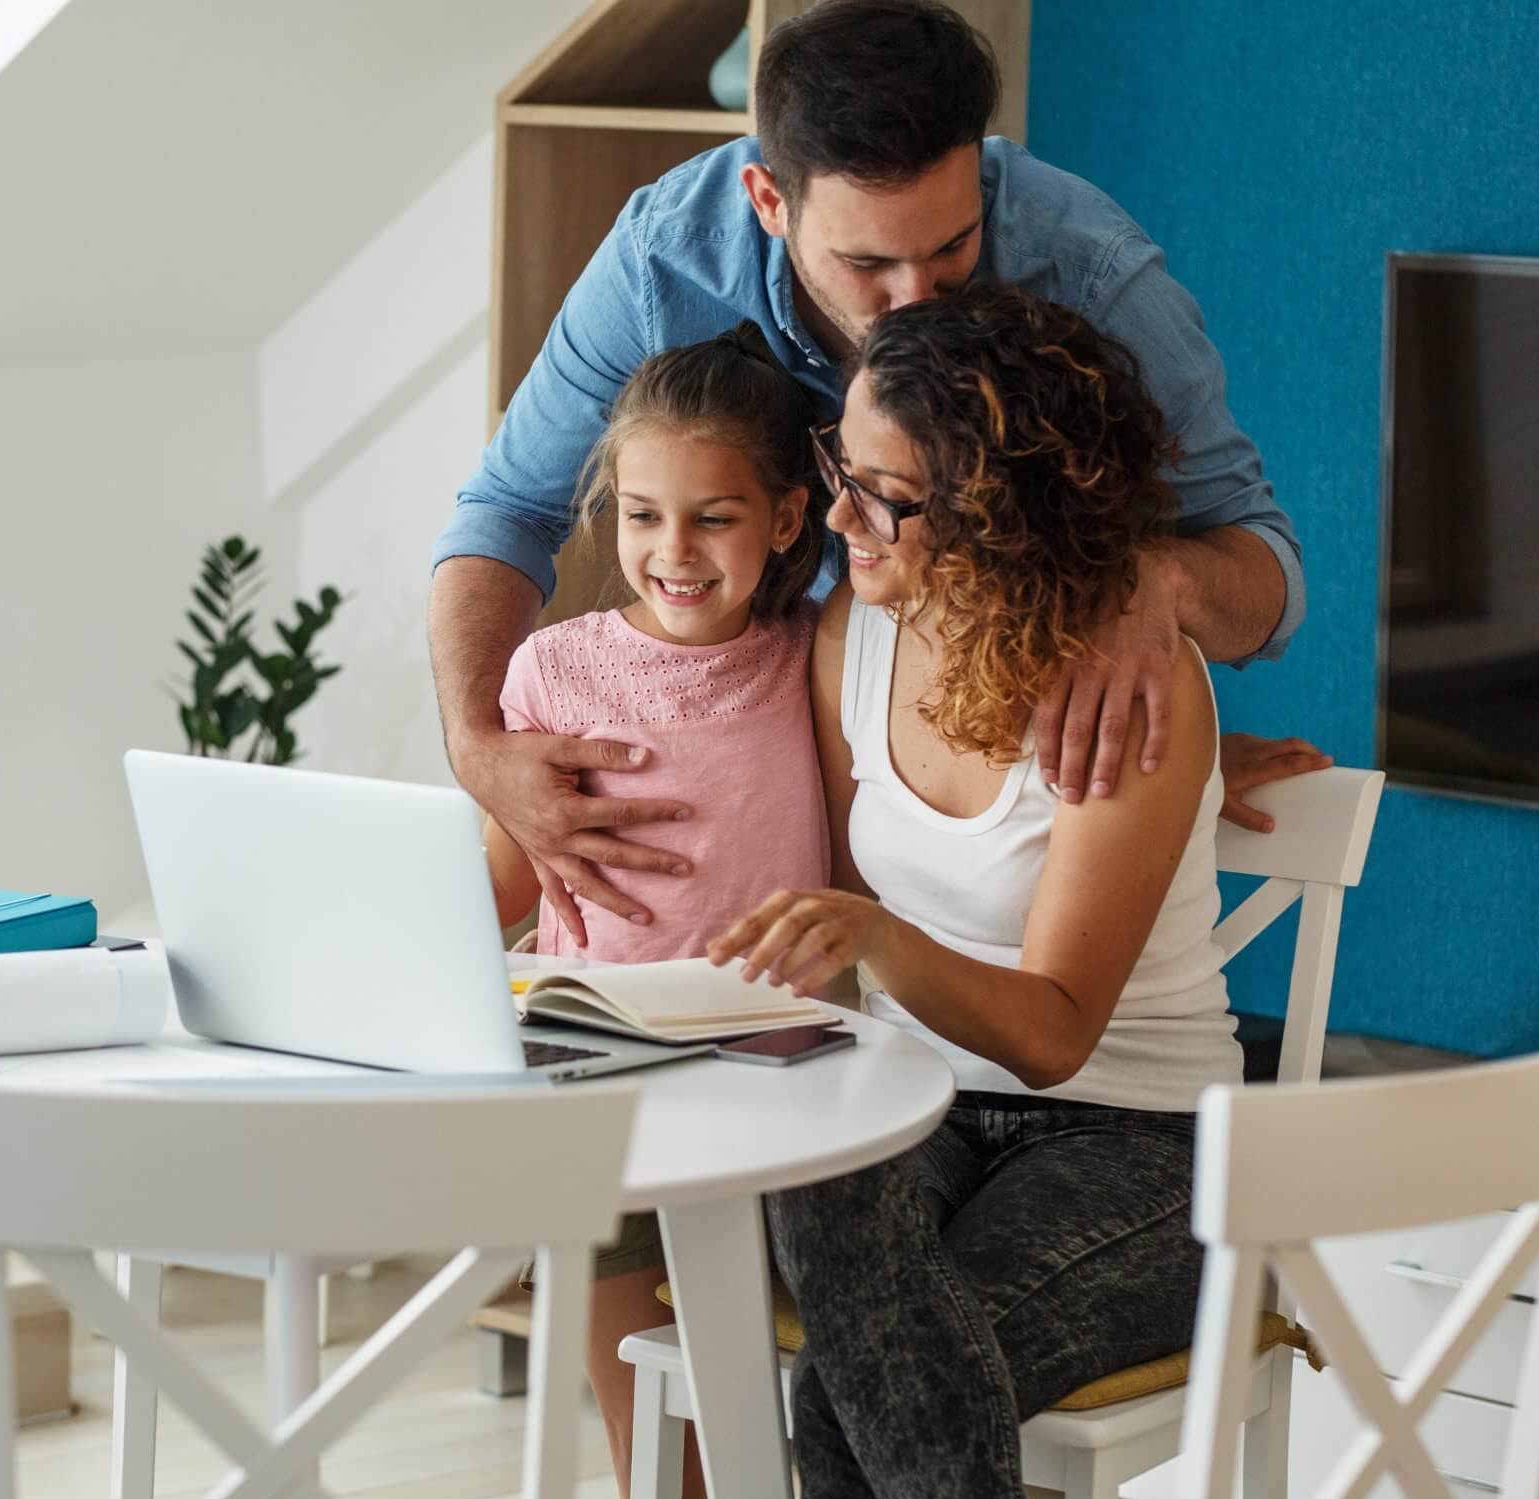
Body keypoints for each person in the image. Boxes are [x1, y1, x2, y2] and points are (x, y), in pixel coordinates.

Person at [432, 0, 1327, 954]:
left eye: (951, 248)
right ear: (769, 202)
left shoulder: (1090, 271)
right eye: (867, 261)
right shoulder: (665, 263)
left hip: (983, 771)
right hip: (802, 752)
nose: (911, 302)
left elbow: (1267, 570)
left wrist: (1159, 584)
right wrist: (479, 750)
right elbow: (508, 508)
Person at [707, 284, 1245, 1499]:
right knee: (819, 1201)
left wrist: (878, 939)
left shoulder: (1133, 682)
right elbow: (831, 901)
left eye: (881, 495)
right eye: (843, 466)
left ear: (1000, 507)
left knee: (857, 1390)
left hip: (1142, 1143)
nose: (839, 517)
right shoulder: (858, 630)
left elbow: (1060, 1025)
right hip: (925, 1102)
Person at [481, 324, 827, 1499]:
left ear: (789, 514)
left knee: (732, 1318)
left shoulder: (818, 657)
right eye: (640, 515)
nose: (673, 549)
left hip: (777, 1066)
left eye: (713, 516)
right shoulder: (554, 670)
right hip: (601, 1058)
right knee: (596, 1231)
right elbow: (508, 878)